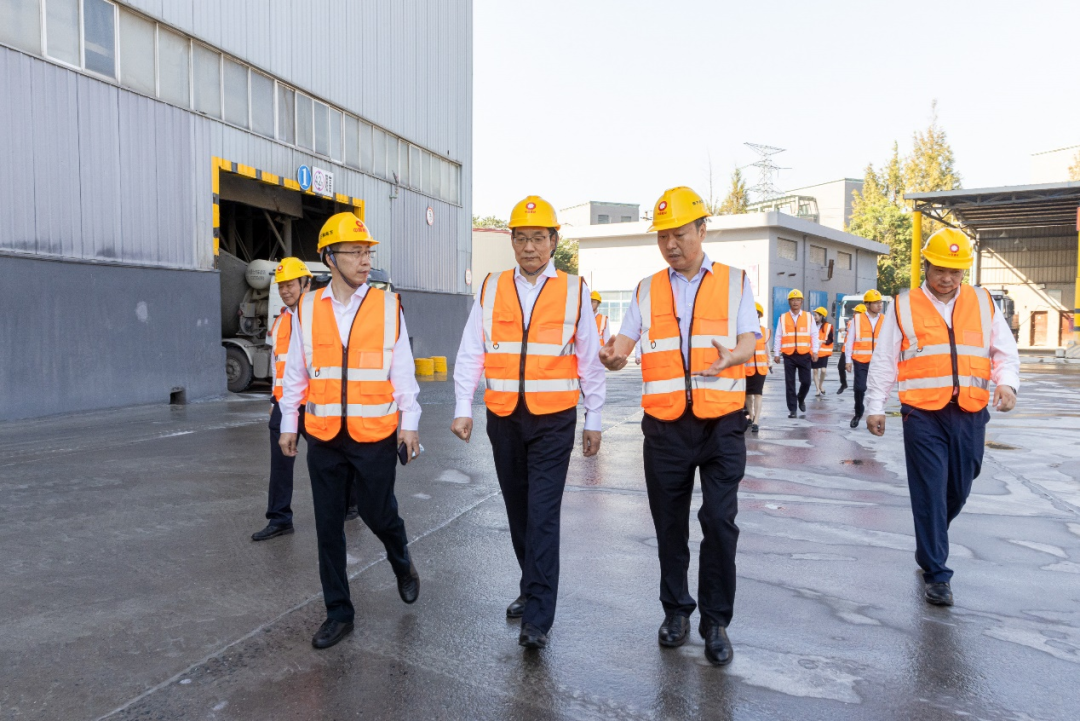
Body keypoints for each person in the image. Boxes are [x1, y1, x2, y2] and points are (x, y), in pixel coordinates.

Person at [599, 186, 758, 667]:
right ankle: (675, 611)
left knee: (719, 522)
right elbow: (623, 345)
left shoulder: (735, 281)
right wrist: (612, 357)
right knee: (669, 525)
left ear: (702, 230)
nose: (670, 244)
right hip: (665, 427)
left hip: (721, 423)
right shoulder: (647, 289)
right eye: (663, 236)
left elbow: (749, 339)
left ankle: (716, 622)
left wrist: (735, 356)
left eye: (680, 234)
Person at [451, 195, 605, 650]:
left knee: (542, 515)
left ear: (554, 241)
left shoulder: (574, 291)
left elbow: (589, 361)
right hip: (504, 417)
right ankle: (530, 583)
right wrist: (463, 406)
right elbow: (472, 350)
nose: (530, 247)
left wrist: (593, 418)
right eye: (521, 238)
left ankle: (538, 616)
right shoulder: (492, 287)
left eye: (539, 238)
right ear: (512, 242)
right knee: (519, 512)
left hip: (553, 421)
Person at [278, 212, 423, 650]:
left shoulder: (387, 306)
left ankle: (401, 559)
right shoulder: (306, 308)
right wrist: (289, 423)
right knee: (328, 527)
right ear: (329, 258)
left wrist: (409, 423)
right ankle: (339, 612)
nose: (365, 261)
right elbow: (296, 373)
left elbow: (403, 370)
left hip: (374, 434)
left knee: (379, 514)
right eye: (355, 252)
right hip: (323, 434)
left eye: (367, 252)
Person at [865, 228, 1019, 606]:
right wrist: (874, 405)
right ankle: (937, 572)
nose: (947, 278)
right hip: (921, 413)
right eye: (940, 270)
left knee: (960, 488)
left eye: (955, 271)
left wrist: (1007, 383)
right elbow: (884, 359)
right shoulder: (903, 305)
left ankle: (931, 537)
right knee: (930, 490)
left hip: (970, 410)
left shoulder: (982, 301)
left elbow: (1003, 350)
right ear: (926, 266)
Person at [251, 258, 312, 542]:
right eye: (281, 286)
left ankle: (350, 504)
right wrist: (273, 400)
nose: (285, 290)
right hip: (284, 404)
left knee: (331, 460)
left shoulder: (318, 319)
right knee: (280, 465)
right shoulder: (280, 322)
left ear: (305, 284)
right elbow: (278, 365)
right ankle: (279, 518)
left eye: (290, 284)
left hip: (315, 404)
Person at [772, 290, 819, 418]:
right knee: (790, 383)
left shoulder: (808, 317)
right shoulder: (783, 317)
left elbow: (814, 335)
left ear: (801, 302)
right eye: (793, 300)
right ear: (789, 302)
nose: (795, 302)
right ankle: (792, 409)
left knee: (806, 382)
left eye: (798, 300)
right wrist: (776, 353)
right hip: (789, 355)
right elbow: (778, 336)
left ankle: (801, 398)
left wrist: (815, 351)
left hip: (804, 354)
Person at [846, 290, 884, 428]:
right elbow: (850, 340)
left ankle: (876, 415)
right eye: (875, 303)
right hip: (861, 360)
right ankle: (858, 412)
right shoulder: (857, 319)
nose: (879, 305)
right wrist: (848, 360)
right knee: (860, 388)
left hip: (878, 361)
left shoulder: (885, 319)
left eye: (880, 302)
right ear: (867, 305)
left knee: (877, 391)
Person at [744, 302, 770, 433]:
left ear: (759, 315)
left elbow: (766, 349)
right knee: (748, 395)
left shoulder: (764, 331)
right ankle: (751, 415)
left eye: (756, 314)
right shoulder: (743, 331)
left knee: (758, 394)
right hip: (747, 368)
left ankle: (756, 421)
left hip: (761, 368)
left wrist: (770, 363)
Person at [812, 307, 834, 397]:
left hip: (823, 352)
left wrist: (823, 341)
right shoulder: (812, 325)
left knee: (823, 370)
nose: (815, 317)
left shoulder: (828, 326)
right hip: (814, 352)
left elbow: (830, 340)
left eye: (816, 315)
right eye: (814, 315)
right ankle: (817, 389)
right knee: (815, 371)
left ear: (821, 316)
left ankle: (820, 385)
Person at [836, 323, 849, 394]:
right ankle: (844, 384)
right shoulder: (850, 322)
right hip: (846, 349)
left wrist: (845, 329)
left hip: (858, 349)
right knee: (840, 367)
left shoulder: (861, 321)